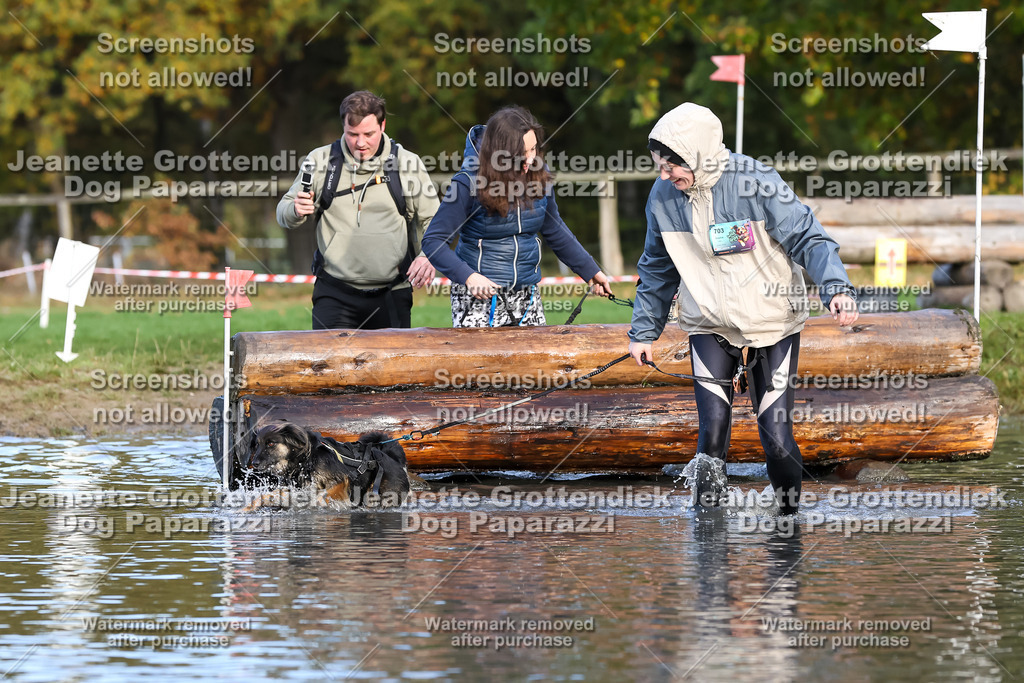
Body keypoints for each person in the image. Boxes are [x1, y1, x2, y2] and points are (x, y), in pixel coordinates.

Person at [626, 102, 859, 517]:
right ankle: (706, 538)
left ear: (697, 154)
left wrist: (836, 288)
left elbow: (809, 237)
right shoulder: (663, 196)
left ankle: (789, 523)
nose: (664, 177)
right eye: (659, 167)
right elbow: (657, 267)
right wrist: (644, 331)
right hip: (708, 322)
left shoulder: (755, 181)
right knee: (711, 433)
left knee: (776, 436)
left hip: (772, 321)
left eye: (672, 167)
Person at [421, 106, 613, 327]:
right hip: (479, 298)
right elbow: (433, 241)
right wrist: (468, 277)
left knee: (536, 361)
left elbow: (554, 229)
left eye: (533, 149)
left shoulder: (537, 175)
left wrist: (590, 270)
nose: (531, 158)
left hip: (526, 295)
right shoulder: (467, 183)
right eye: (523, 152)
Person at [277, 91, 439, 330]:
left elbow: (434, 221)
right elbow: (284, 211)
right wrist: (295, 209)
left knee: (392, 368)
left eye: (368, 134)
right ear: (342, 127)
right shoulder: (321, 161)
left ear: (383, 125)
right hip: (334, 292)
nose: (360, 143)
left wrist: (428, 256)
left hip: (393, 291)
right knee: (330, 367)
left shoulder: (408, 163)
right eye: (352, 134)